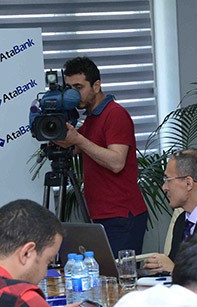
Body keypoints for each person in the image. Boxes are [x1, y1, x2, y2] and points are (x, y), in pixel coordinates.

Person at [55, 56, 148, 255]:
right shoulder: (91, 118)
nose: (73, 94)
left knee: (119, 273)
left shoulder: (115, 114)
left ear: (96, 86)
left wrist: (78, 139)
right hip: (102, 214)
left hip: (121, 216)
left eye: (79, 87)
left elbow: (116, 162)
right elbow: (72, 147)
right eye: (69, 88)